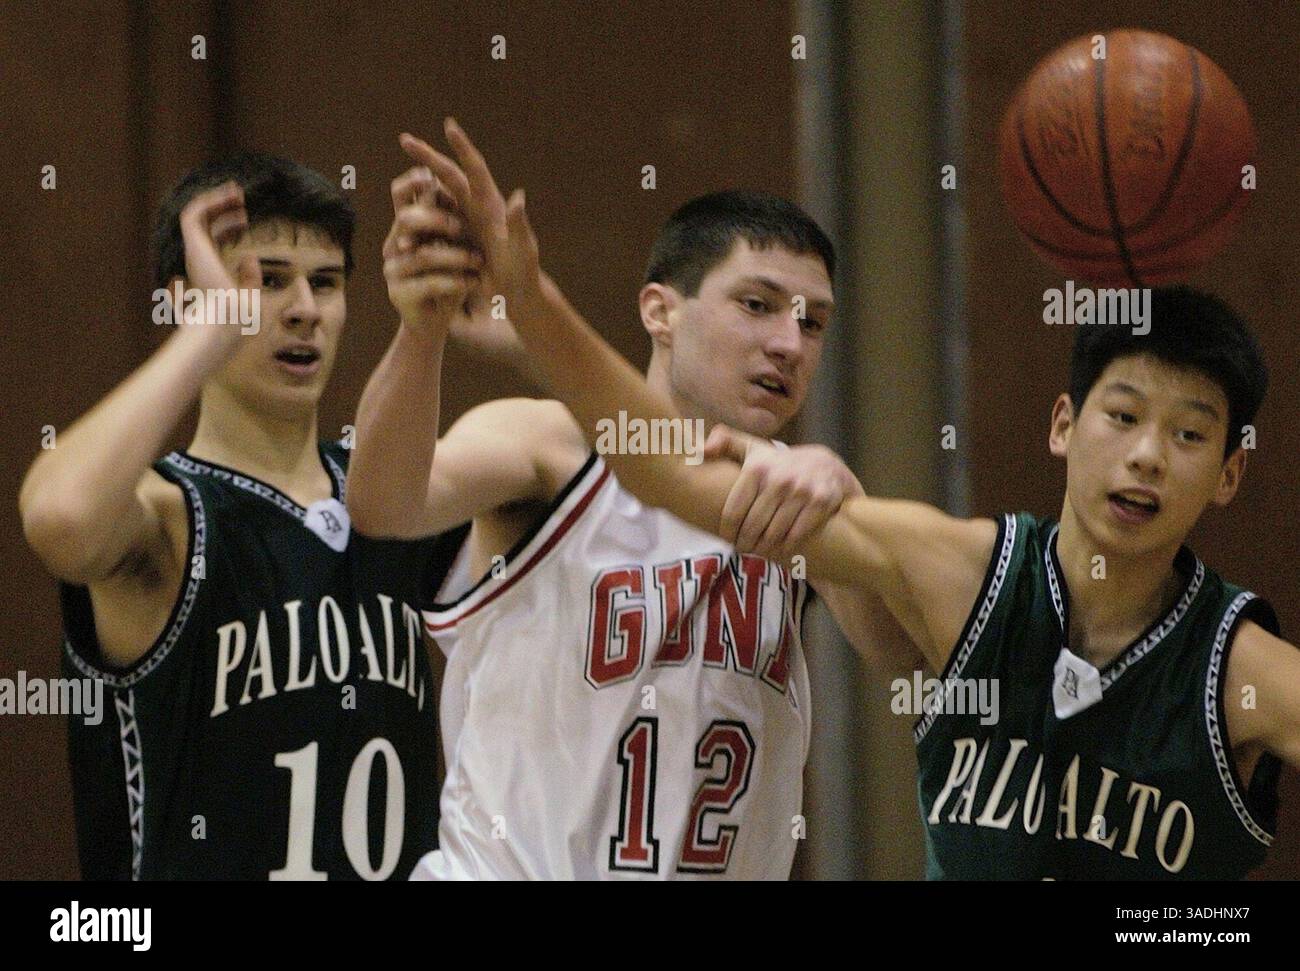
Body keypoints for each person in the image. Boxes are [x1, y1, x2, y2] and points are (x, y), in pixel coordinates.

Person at [419, 117, 1300, 879]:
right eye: (1124, 415)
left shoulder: (1241, 671)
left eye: (1188, 434)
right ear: (1064, 424)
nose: (1147, 456)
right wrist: (533, 307)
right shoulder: (958, 570)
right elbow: (668, 474)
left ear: (1228, 472)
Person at [347, 132, 914, 879]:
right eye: (757, 305)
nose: (788, 343)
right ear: (660, 311)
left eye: (812, 322)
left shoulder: (792, 490)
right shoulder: (550, 445)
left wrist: (847, 503)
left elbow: (894, 647)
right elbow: (383, 504)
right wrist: (420, 328)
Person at [19, 154, 471, 879]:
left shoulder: (393, 495)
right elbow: (60, 516)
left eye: (324, 283)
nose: (303, 309)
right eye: (264, 282)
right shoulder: (168, 518)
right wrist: (209, 332)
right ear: (193, 297)